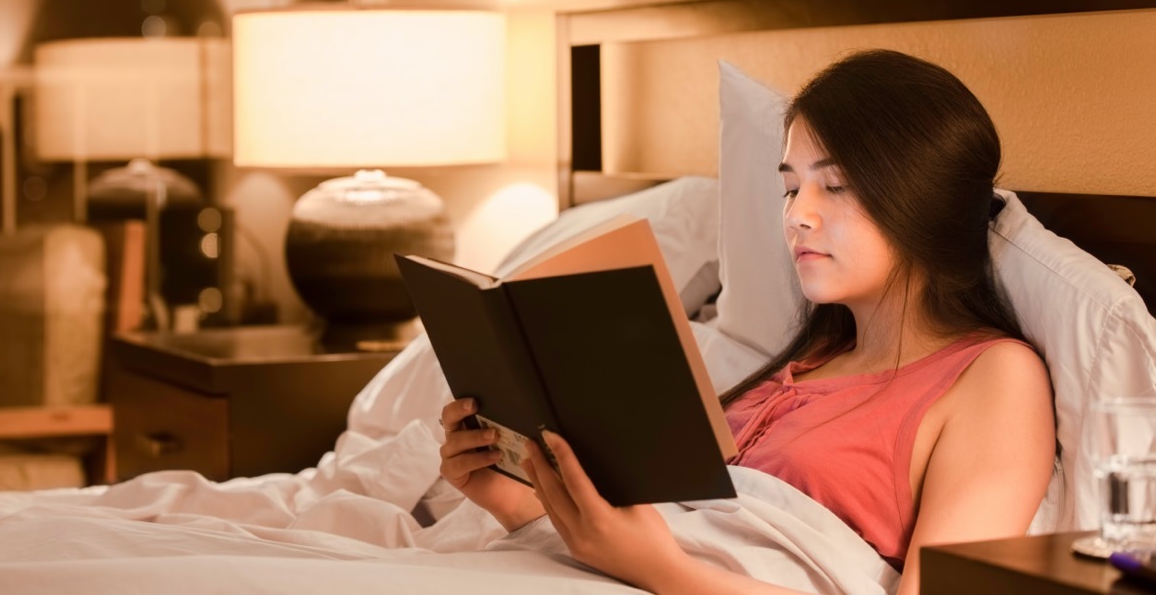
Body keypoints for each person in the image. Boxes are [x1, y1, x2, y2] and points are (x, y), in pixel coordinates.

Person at [437, 49, 1056, 595]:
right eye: (792, 189)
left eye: (834, 186)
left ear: (923, 199)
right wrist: (520, 501)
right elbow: (670, 540)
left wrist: (659, 569)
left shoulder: (995, 377)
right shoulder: (799, 367)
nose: (798, 216)